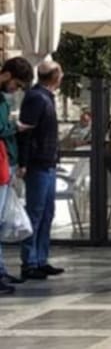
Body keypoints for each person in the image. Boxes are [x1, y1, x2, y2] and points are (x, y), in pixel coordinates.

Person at [16, 60, 64, 281]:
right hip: (37, 164)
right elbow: (26, 132)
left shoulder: (46, 97)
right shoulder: (37, 98)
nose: (62, 76)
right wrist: (24, 162)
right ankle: (30, 261)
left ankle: (41, 258)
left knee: (47, 213)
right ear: (54, 76)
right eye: (60, 73)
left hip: (48, 162)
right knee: (35, 212)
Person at [0, 57, 33, 295]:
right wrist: (15, 127)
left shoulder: (3, 98)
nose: (17, 90)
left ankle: (0, 270)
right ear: (8, 75)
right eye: (18, 84)